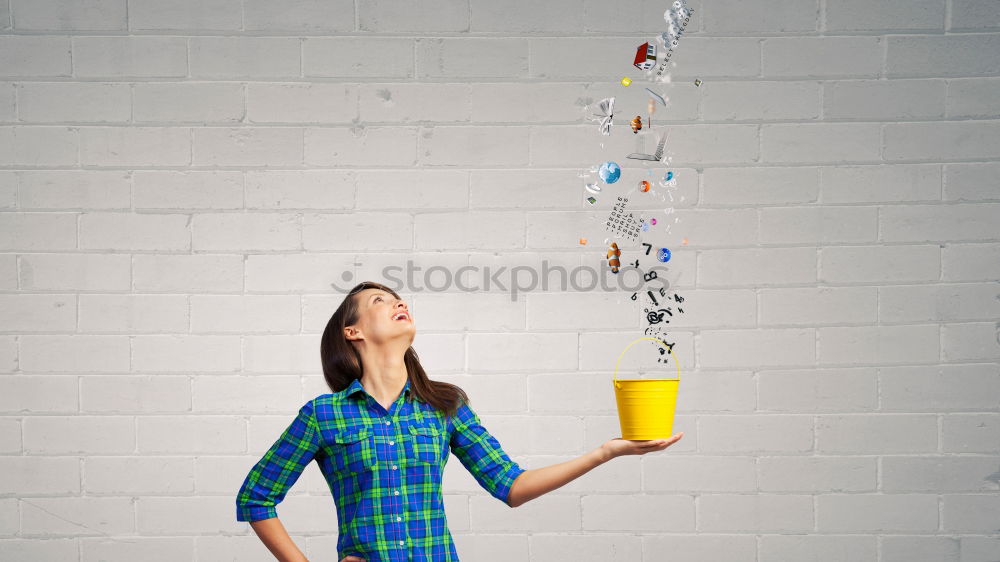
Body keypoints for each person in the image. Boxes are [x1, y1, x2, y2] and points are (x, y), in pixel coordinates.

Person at [235, 281, 683, 561]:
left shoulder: (445, 406)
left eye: (399, 298)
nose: (398, 303)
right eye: (380, 300)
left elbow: (511, 486)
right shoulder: (324, 415)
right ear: (353, 332)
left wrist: (607, 451)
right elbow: (256, 498)